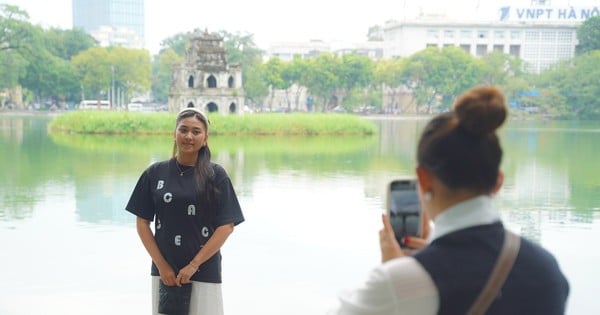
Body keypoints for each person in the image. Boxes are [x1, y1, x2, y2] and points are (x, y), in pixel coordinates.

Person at [330, 86, 569, 315]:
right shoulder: (547, 270)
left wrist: (394, 271)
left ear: (423, 179)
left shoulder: (400, 282)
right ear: (498, 182)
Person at [126, 107, 245, 315]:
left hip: (204, 269)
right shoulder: (154, 173)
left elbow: (226, 226)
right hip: (166, 272)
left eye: (196, 131)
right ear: (174, 134)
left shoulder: (216, 175)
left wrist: (194, 264)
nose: (189, 136)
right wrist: (162, 265)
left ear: (205, 138)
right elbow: (142, 223)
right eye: (184, 130)